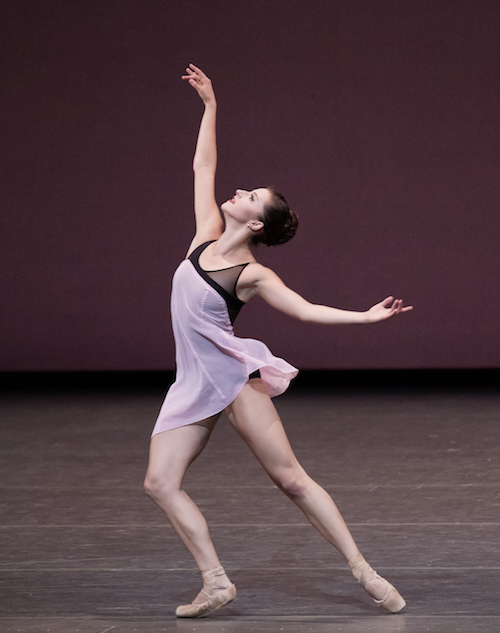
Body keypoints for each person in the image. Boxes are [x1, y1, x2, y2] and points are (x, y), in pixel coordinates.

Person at [144, 64, 412, 619]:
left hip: (233, 376)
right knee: (159, 482)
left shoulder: (251, 273)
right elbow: (203, 165)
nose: (237, 192)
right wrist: (211, 106)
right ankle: (216, 582)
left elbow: (306, 310)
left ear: (258, 224)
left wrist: (364, 319)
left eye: (249, 196)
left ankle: (363, 569)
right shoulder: (204, 238)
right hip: (192, 382)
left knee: (289, 478)